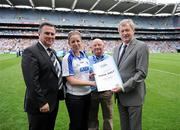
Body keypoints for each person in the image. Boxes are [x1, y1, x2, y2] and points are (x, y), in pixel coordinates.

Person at [21, 22, 64, 130]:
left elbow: (57, 73)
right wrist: (42, 103)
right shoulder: (30, 51)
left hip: (53, 102)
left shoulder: (52, 51)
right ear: (39, 34)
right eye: (47, 33)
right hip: (40, 105)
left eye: (52, 34)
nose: (50, 36)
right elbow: (31, 81)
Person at [112, 19, 149, 130]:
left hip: (133, 96)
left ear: (133, 30)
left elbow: (141, 73)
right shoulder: (116, 49)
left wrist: (123, 87)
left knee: (135, 127)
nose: (124, 33)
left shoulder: (141, 46)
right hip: (120, 96)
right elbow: (114, 70)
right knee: (125, 127)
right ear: (119, 33)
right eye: (122, 31)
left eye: (127, 30)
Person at [62, 30, 96, 130]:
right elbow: (71, 80)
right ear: (69, 43)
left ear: (81, 42)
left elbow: (82, 74)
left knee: (86, 123)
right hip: (74, 97)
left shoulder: (84, 55)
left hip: (87, 94)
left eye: (78, 41)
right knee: (76, 125)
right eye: (73, 42)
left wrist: (90, 75)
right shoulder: (67, 58)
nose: (76, 44)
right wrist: (91, 83)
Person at [88, 38, 113, 130]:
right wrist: (89, 75)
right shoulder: (87, 59)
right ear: (91, 47)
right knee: (91, 117)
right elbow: (83, 75)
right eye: (95, 45)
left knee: (108, 117)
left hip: (106, 92)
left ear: (104, 46)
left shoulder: (109, 59)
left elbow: (114, 74)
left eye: (99, 45)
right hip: (92, 92)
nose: (97, 47)